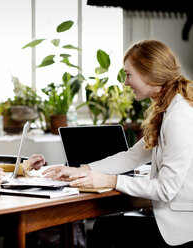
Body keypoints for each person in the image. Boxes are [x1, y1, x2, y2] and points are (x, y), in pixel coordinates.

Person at [39, 40, 193, 247]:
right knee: (106, 226)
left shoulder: (178, 117)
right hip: (173, 220)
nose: (126, 83)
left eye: (129, 75)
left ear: (149, 73)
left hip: (181, 229)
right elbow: (133, 156)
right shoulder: (167, 111)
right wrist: (81, 170)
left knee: (105, 228)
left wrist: (111, 181)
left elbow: (166, 189)